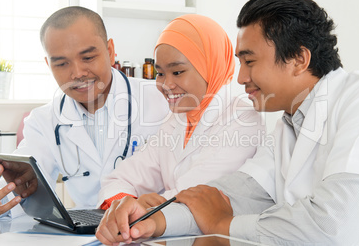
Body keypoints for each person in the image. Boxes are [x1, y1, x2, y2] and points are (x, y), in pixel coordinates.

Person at [95, 0, 359, 245]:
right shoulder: (289, 125)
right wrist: (154, 220)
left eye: (249, 62)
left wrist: (223, 225)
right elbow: (233, 194)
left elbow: (334, 227)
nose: (240, 77)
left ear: (299, 59)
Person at [5, 6, 170, 209]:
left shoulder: (163, 100)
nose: (77, 73)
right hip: (86, 236)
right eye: (62, 64)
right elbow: (21, 183)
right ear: (49, 65)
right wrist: (1, 196)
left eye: (88, 58)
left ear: (110, 51)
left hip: (155, 230)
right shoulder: (43, 121)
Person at [96, 14, 263, 212]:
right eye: (160, 73)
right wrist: (124, 204)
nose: (166, 84)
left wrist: (138, 209)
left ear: (210, 67)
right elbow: (119, 179)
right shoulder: (176, 120)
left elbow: (192, 193)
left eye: (177, 72)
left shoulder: (243, 119)